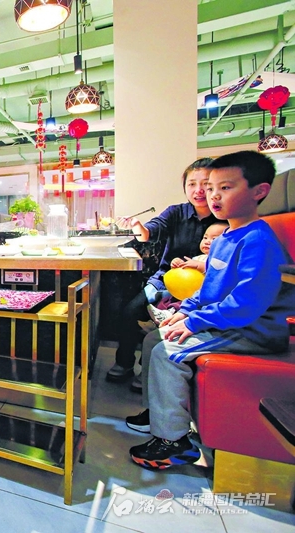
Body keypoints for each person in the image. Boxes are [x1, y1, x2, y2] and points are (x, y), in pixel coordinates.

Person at [126, 150, 295, 470]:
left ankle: (174, 442)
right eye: (211, 188)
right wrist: (185, 311)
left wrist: (194, 322)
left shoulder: (258, 240)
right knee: (152, 340)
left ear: (259, 191)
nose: (213, 195)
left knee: (167, 352)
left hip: (253, 330)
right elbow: (208, 290)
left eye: (225, 187)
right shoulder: (226, 236)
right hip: (230, 322)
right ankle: (158, 414)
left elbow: (246, 305)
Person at [107, 158, 219, 391]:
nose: (198, 190)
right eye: (192, 184)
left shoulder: (224, 216)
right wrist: (137, 226)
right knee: (130, 311)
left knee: (169, 324)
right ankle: (124, 363)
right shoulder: (177, 212)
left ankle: (148, 370)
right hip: (165, 280)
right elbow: (149, 232)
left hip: (204, 287)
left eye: (206, 184)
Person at [144, 221, 229, 326]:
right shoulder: (199, 257)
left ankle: (168, 315)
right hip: (185, 292)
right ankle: (160, 322)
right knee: (165, 299)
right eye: (205, 237)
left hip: (201, 296)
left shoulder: (221, 260)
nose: (207, 241)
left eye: (214, 239)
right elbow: (186, 275)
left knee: (181, 303)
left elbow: (216, 272)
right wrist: (178, 264)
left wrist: (200, 266)